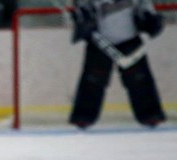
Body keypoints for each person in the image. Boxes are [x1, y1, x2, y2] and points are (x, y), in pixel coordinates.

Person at [69, 0, 165, 128]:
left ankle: (150, 114)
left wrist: (149, 17)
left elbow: (144, 6)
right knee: (92, 80)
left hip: (130, 38)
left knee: (140, 79)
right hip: (99, 40)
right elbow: (82, 7)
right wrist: (83, 17)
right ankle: (84, 116)